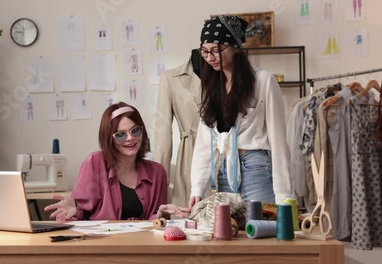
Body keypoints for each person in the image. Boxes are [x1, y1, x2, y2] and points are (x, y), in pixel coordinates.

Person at [189, 15, 293, 208]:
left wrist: (284, 194)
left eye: (215, 50)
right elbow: (205, 142)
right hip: (223, 169)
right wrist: (197, 188)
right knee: (229, 234)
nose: (209, 58)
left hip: (256, 167)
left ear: (235, 47)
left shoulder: (263, 80)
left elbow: (278, 140)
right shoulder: (211, 85)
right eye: (204, 52)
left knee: (263, 231)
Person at [44, 102, 188, 220]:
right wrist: (74, 210)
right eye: (120, 135)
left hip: (141, 245)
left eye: (135, 130)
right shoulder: (95, 162)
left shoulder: (157, 172)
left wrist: (161, 215)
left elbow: (155, 219)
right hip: (103, 247)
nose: (130, 138)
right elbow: (79, 213)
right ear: (109, 139)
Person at [153, 49, 202, 207]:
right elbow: (163, 129)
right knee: (189, 218)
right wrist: (161, 179)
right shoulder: (171, 78)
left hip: (225, 153)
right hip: (190, 153)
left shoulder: (226, 74)